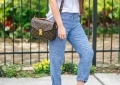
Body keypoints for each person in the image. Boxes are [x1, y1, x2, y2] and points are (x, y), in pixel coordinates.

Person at [46, 0, 94, 85]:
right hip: (59, 19)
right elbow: (52, 2)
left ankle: (80, 83)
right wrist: (60, 26)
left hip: (75, 20)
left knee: (87, 52)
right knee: (56, 60)